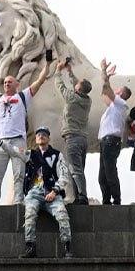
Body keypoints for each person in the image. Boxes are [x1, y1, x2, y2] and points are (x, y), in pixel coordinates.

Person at [0, 61, 51, 204]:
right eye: (5, 82)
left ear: (17, 84)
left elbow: (40, 81)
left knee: (19, 174)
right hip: (0, 141)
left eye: (10, 82)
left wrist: (48, 65)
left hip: (18, 141)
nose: (6, 84)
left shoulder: (23, 96)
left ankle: (18, 202)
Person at [20, 127, 73, 258]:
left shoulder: (57, 155)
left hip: (52, 192)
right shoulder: (30, 154)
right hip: (34, 193)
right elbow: (14, 151)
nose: (41, 136)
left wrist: (55, 192)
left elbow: (64, 176)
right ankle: (30, 247)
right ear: (36, 139)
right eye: (38, 134)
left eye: (44, 134)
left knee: (62, 214)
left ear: (49, 138)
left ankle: (67, 247)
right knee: (30, 214)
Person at [55, 57, 92, 204]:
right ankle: (79, 197)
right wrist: (70, 71)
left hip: (73, 139)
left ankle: (82, 197)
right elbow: (77, 84)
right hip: (82, 139)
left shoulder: (72, 97)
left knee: (75, 169)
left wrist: (58, 71)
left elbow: (60, 86)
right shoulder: (87, 100)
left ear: (78, 88)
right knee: (79, 169)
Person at [97, 58, 130, 205]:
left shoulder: (121, 104)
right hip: (105, 142)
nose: (116, 90)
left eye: (118, 90)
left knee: (110, 173)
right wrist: (105, 78)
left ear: (122, 94)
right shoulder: (113, 106)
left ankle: (116, 200)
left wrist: (104, 71)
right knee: (102, 175)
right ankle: (106, 200)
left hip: (111, 141)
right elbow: (104, 93)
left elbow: (108, 90)